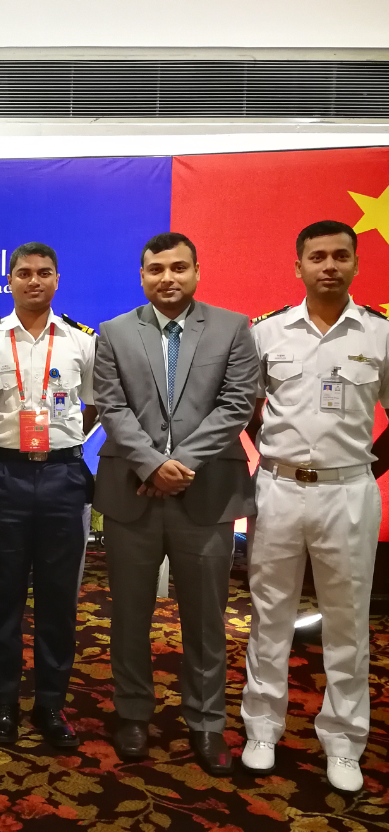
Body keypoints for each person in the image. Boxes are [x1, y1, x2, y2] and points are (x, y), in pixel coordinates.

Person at [92, 232, 257, 776]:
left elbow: (237, 403)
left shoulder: (233, 328)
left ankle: (206, 721)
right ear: (142, 276)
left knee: (207, 619)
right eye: (156, 269)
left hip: (206, 495)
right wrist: (151, 465)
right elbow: (111, 407)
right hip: (131, 494)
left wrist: (179, 464)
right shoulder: (114, 332)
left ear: (197, 272)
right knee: (129, 614)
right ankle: (132, 713)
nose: (168, 277)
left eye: (179, 267)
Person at [240, 220, 389, 793]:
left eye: (340, 256)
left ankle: (344, 741)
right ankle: (262, 727)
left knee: (348, 621)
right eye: (318, 257)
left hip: (348, 492)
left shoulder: (379, 334)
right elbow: (249, 408)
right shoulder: (267, 332)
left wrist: (364, 469)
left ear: (356, 264)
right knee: (268, 612)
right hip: (278, 489)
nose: (329, 266)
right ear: (298, 265)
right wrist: (275, 453)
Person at [0, 242, 96, 749]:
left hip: (63, 474)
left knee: (58, 597)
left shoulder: (81, 341)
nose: (34, 281)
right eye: (23, 272)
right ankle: (4, 701)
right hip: (4, 473)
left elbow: (94, 405)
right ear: (9, 280)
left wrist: (60, 442)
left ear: (57, 279)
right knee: (2, 596)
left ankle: (50, 703)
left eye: (44, 272)